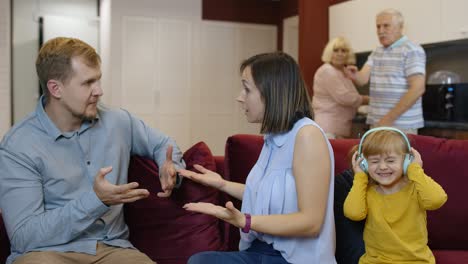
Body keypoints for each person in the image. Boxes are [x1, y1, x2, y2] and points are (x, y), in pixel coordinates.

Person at [0, 37, 186, 264]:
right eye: (88, 83)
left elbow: (163, 144)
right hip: (47, 254)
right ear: (55, 88)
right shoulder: (19, 145)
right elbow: (24, 237)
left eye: (98, 80)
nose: (99, 91)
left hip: (114, 249)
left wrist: (170, 165)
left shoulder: (118, 121)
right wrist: (96, 200)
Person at [178, 52, 336, 264]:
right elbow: (265, 195)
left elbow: (311, 222)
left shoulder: (307, 136)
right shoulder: (274, 138)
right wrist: (221, 184)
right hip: (261, 251)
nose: (240, 97)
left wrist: (245, 221)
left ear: (272, 92)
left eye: (247, 89)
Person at [344, 127, 447, 264]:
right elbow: (353, 213)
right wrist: (360, 178)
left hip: (416, 261)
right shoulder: (366, 191)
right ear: (364, 164)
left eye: (390, 161)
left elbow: (437, 200)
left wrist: (415, 170)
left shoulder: (416, 188)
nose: (382, 167)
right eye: (374, 162)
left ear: (406, 162)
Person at [344, 8, 426, 134]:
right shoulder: (377, 51)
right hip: (377, 123)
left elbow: (417, 89)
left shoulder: (412, 50)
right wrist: (355, 75)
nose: (381, 31)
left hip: (401, 125)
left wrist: (388, 119)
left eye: (386, 26)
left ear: (400, 27)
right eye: (378, 27)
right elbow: (363, 79)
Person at [312, 36, 369, 139]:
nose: (340, 54)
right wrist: (367, 99)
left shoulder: (343, 72)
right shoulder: (327, 71)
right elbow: (346, 97)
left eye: (344, 51)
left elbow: (352, 95)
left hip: (339, 128)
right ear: (329, 53)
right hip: (328, 128)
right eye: (336, 50)